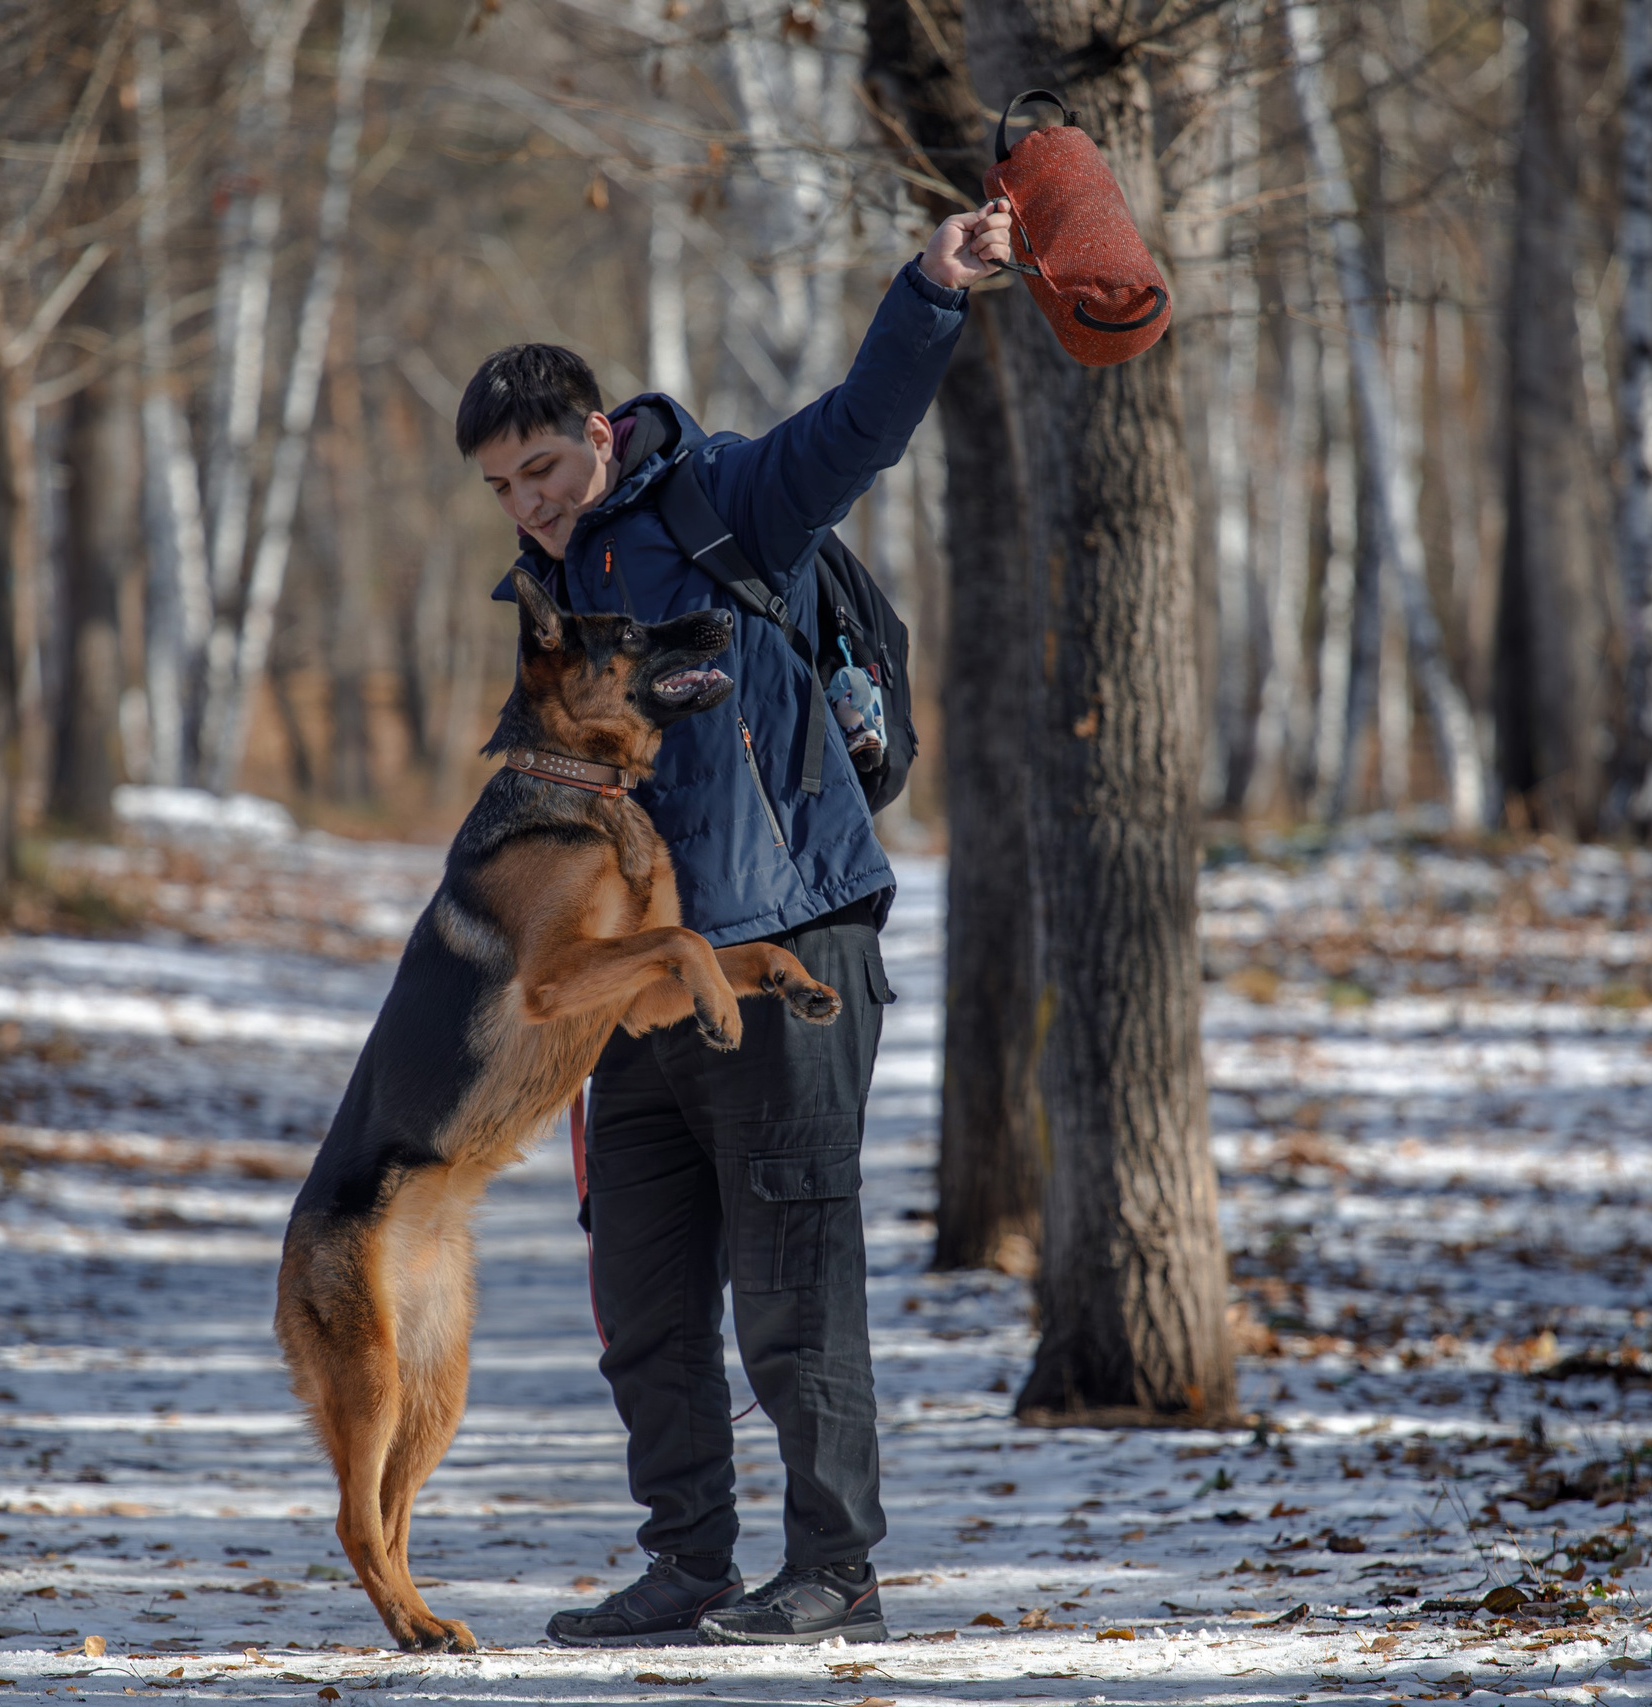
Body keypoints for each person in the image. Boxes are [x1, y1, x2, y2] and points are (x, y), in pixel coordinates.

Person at [452, 202, 1013, 1648]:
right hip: (630, 987)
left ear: (597, 429)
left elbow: (859, 426)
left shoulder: (728, 501)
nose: (530, 502)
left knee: (792, 1290)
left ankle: (837, 1567)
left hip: (792, 953)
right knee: (641, 1301)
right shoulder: (547, 590)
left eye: (542, 468)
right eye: (502, 488)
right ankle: (687, 1559)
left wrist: (930, 292)